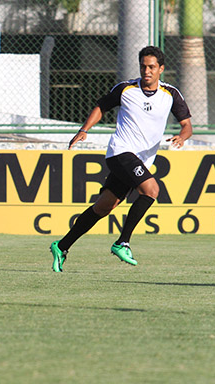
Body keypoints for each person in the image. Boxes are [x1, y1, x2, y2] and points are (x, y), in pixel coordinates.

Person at [50, 45, 192, 272]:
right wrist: (84, 129)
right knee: (151, 190)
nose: (147, 71)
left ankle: (62, 245)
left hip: (142, 160)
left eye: (152, 67)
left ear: (161, 69)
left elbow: (187, 126)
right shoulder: (126, 89)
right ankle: (122, 242)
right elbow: (101, 106)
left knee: (104, 207)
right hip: (120, 152)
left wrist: (182, 138)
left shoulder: (171, 94)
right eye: (143, 66)